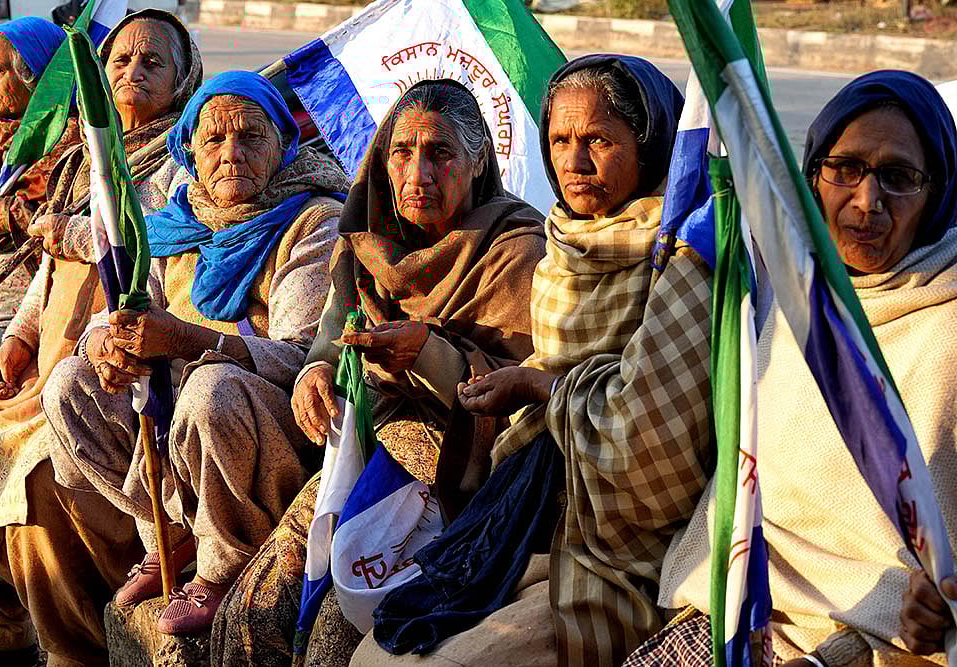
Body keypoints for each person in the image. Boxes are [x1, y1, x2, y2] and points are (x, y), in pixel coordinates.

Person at [352, 55, 707, 667]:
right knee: (370, 650)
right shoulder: (565, 245)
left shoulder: (682, 257)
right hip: (525, 502)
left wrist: (536, 388)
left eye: (598, 141)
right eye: (560, 140)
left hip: (612, 542)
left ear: (649, 147)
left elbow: (653, 453)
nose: (573, 163)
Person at [211, 78, 548, 667]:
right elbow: (326, 339)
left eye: (440, 154)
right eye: (402, 152)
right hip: (361, 450)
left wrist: (427, 354)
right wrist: (315, 376)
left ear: (475, 163)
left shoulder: (514, 248)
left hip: (457, 475)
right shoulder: (366, 240)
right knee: (255, 613)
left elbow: (524, 400)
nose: (418, 174)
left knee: (338, 633)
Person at [635, 70, 957, 667]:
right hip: (735, 608)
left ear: (936, 193)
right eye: (846, 168)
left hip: (876, 641)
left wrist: (941, 607)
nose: (867, 201)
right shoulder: (793, 292)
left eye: (899, 177)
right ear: (813, 177)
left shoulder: (948, 324)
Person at [44, 70, 351, 636]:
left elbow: (305, 356)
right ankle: (167, 532)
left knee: (210, 390)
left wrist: (190, 342)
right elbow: (130, 309)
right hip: (177, 425)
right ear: (189, 148)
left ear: (283, 145)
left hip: (268, 426)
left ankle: (220, 565)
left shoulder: (314, 219)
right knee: (69, 381)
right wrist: (110, 343)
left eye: (252, 138)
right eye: (214, 140)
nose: (232, 154)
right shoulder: (173, 224)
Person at [0, 10, 202, 666]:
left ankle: (74, 645)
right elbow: (46, 278)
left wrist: (63, 229)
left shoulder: (187, 158)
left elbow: (143, 248)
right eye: (120, 60)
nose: (132, 72)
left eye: (154, 62)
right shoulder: (81, 157)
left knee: (35, 481)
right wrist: (16, 338)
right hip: (47, 360)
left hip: (118, 370)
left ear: (184, 77)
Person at [0, 17, 80, 407]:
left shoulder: (73, 151)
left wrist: (11, 215)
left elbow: (71, 235)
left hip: (15, 324)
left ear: (36, 75)